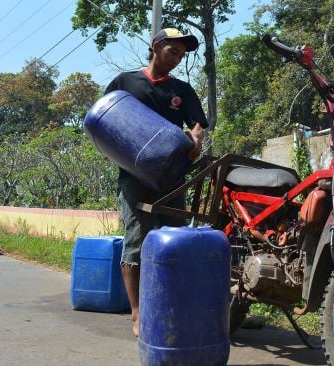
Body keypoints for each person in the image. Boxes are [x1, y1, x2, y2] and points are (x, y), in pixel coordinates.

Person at [105, 28, 208, 337]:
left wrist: (197, 137)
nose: (176, 59)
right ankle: (138, 314)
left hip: (172, 176)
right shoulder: (125, 82)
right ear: (156, 47)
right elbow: (105, 117)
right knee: (136, 240)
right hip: (134, 175)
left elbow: (197, 124)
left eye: (180, 55)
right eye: (172, 51)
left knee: (173, 241)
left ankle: (170, 305)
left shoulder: (183, 90)